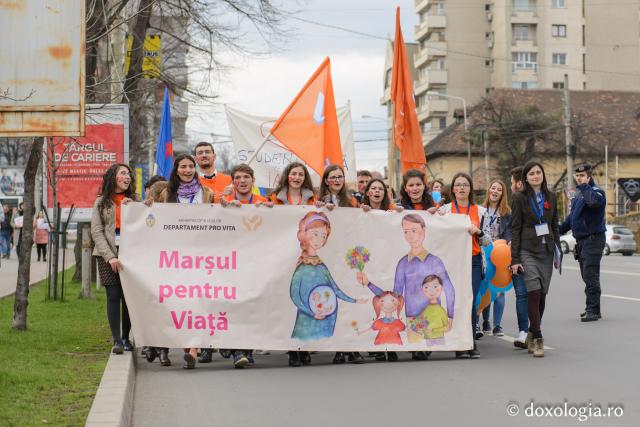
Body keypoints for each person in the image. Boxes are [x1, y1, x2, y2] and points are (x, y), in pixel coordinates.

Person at [203, 163, 273, 368]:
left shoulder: (263, 202)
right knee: (233, 306)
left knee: (251, 307)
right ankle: (237, 350)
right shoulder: (224, 204)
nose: (242, 181)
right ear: (232, 182)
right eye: (238, 178)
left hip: (254, 264)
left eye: (246, 178)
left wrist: (271, 211)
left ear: (253, 181)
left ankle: (245, 349)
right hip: (230, 265)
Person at [357, 213, 454, 361]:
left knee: (432, 347)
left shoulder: (435, 261)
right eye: (406, 231)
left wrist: (450, 315)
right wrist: (368, 283)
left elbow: (449, 288)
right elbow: (395, 296)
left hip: (434, 317)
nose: (410, 235)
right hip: (412, 320)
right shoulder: (403, 263)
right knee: (417, 350)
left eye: (414, 230)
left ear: (424, 230)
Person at [156, 154, 215, 368]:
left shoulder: (206, 193)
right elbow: (155, 219)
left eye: (191, 166)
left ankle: (192, 349)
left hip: (200, 257)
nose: (188, 170)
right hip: (175, 257)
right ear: (177, 169)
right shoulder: (166, 194)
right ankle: (187, 344)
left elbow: (217, 219)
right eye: (183, 167)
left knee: (198, 301)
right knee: (180, 303)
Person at [289, 211, 367, 366]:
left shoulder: (322, 265)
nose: (319, 239)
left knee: (325, 338)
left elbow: (334, 288)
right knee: (303, 337)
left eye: (323, 236)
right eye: (315, 234)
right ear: (304, 234)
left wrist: (355, 300)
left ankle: (315, 351)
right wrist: (311, 312)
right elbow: (294, 295)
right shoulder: (302, 266)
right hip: (309, 315)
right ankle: (297, 352)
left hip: (328, 315)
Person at [510, 161, 560, 358]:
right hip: (527, 250)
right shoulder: (519, 198)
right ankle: (538, 338)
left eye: (538, 172)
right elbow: (515, 229)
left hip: (546, 250)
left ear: (543, 175)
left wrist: (557, 252)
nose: (535, 176)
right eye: (531, 173)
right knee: (534, 291)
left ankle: (531, 331)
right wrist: (515, 259)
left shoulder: (552, 197)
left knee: (543, 295)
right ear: (525, 178)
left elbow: (554, 225)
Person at [90, 163, 137, 355]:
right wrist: (110, 257)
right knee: (113, 296)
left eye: (129, 174)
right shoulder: (101, 202)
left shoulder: (134, 200)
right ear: (113, 177)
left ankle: (126, 338)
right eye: (123, 173)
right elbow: (96, 231)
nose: (127, 177)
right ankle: (116, 340)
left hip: (131, 255)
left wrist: (134, 207)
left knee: (128, 298)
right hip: (106, 254)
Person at [438, 172, 485, 358]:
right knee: (455, 301)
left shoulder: (480, 211)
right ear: (453, 189)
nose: (461, 188)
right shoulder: (446, 210)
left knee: (470, 301)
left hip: (472, 260)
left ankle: (470, 342)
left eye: (465, 184)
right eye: (458, 185)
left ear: (470, 188)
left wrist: (479, 232)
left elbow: (488, 239)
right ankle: (457, 343)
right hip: (452, 261)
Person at [559, 164, 606, 322]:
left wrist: (586, 186)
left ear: (589, 177)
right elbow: (571, 220)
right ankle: (592, 308)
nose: (579, 178)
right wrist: (556, 230)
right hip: (581, 241)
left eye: (582, 176)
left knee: (590, 275)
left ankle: (593, 310)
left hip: (593, 239)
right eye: (577, 176)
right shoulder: (579, 195)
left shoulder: (596, 192)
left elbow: (593, 203)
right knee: (586, 276)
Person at [141, 175, 171, 367]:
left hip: (170, 266)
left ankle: (163, 350)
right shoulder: (144, 213)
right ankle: (152, 344)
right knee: (152, 307)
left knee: (165, 308)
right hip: (151, 266)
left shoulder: (175, 214)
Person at [478, 179, 512, 338]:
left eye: (499, 189)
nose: (495, 191)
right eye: (493, 188)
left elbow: (510, 232)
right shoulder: (480, 210)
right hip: (483, 251)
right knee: (484, 287)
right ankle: (485, 322)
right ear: (488, 190)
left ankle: (497, 325)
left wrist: (508, 243)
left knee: (499, 290)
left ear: (502, 194)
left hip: (500, 253)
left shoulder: (506, 212)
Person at [509, 166, 530, 349]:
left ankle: (533, 330)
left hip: (533, 253)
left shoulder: (537, 200)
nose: (511, 187)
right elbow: (513, 230)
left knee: (533, 294)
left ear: (518, 183)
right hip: (517, 253)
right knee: (522, 294)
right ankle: (524, 331)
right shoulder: (514, 201)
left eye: (511, 184)